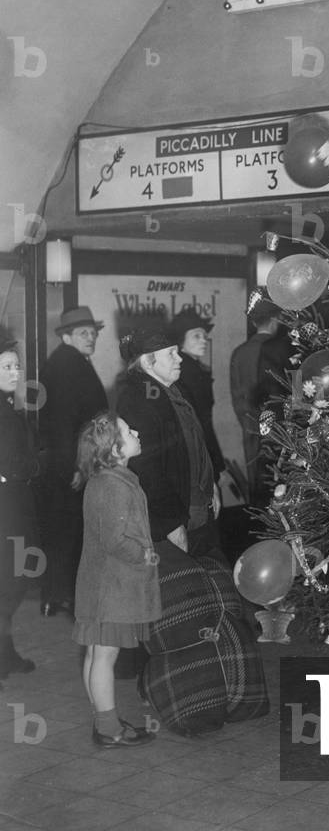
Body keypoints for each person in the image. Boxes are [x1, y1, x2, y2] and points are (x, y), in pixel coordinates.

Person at [72, 413, 161, 747]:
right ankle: (109, 730)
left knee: (97, 654)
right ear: (114, 447)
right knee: (104, 656)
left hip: (101, 585)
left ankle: (104, 720)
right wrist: (144, 555)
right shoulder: (113, 485)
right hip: (111, 587)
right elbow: (115, 540)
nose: (136, 431)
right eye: (128, 430)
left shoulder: (109, 479)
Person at [116, 326, 221, 557]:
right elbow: (146, 469)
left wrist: (210, 483)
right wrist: (171, 524)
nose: (179, 358)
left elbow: (196, 443)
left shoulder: (175, 391)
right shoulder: (137, 401)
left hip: (198, 506)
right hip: (176, 517)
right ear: (147, 362)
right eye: (171, 354)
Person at [39, 306, 108, 617]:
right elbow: (64, 422)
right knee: (69, 530)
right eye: (84, 333)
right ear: (66, 336)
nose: (91, 338)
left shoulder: (67, 360)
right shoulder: (69, 364)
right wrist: (76, 467)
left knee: (62, 529)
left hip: (67, 461)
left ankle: (55, 595)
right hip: (72, 464)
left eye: (93, 333)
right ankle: (62, 596)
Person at [0, 331, 38, 684]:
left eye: (17, 365)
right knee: (10, 582)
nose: (15, 372)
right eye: (7, 366)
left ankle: (5, 654)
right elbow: (14, 465)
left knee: (13, 581)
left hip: (14, 504)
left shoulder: (9, 407)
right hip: (7, 509)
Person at [229, 294, 292, 504]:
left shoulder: (238, 354)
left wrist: (251, 425)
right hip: (280, 431)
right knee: (281, 489)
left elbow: (236, 396)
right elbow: (295, 394)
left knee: (257, 488)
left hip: (251, 431)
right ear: (275, 320)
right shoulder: (283, 349)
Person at [168, 307, 225, 482]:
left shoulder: (190, 368)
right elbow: (201, 423)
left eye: (204, 336)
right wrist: (217, 464)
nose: (204, 340)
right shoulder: (190, 373)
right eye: (196, 336)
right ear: (181, 341)